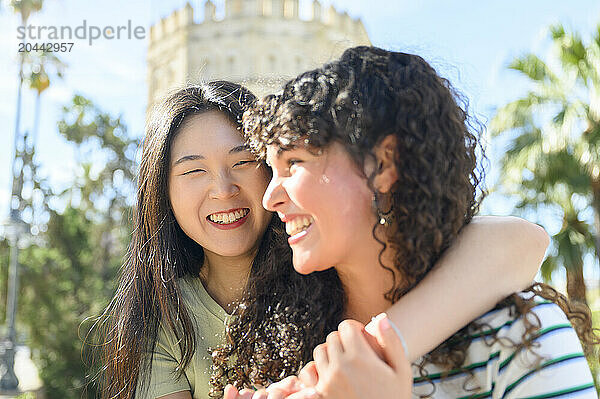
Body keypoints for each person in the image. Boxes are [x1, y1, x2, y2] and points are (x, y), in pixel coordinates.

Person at [95, 80, 549, 399]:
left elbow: (519, 240)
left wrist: (370, 354)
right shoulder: (165, 316)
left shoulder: (322, 261)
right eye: (193, 171)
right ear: (162, 191)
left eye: (245, 161)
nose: (223, 188)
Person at [239, 46, 598, 398]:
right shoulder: (282, 354)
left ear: (383, 163)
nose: (270, 198)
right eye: (271, 170)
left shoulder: (520, 336)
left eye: (294, 163)